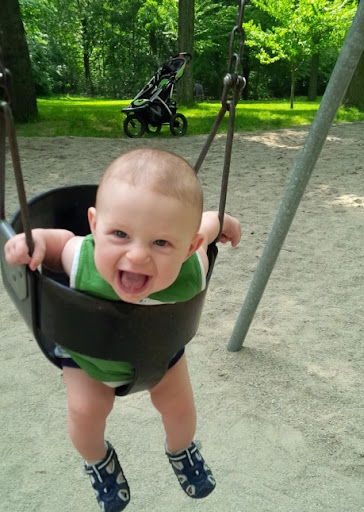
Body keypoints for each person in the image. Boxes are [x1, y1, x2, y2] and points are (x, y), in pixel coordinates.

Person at [4, 148, 241, 512]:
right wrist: (34, 243)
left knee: (179, 409)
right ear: (94, 226)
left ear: (188, 248)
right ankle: (97, 461)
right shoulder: (83, 258)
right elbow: (59, 243)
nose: (137, 255)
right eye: (119, 234)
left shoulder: (192, 270)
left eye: (161, 242)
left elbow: (205, 230)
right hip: (88, 355)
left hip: (160, 353)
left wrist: (221, 220)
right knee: (85, 413)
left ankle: (181, 449)